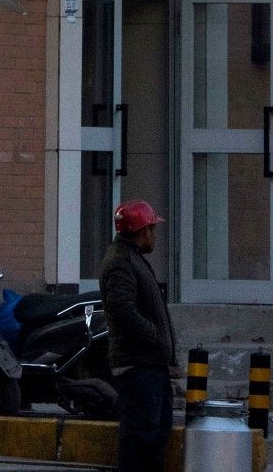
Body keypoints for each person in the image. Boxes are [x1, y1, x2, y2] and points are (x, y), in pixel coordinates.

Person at [100, 202, 174, 472]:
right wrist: (156, 337)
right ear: (142, 231)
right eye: (151, 229)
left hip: (150, 364)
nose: (153, 235)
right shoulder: (121, 262)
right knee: (141, 436)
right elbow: (123, 311)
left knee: (156, 432)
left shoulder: (132, 258)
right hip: (138, 365)